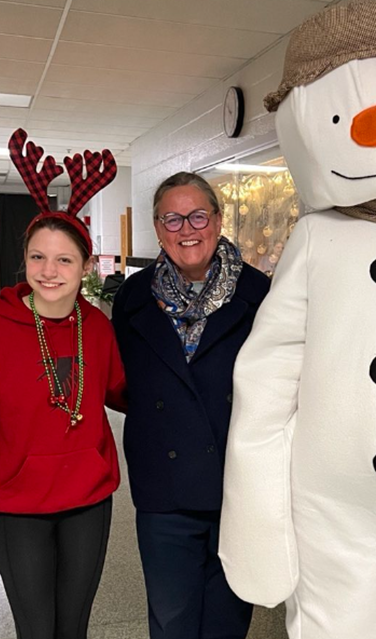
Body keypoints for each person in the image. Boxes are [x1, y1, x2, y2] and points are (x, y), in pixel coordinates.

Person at [0, 128, 126, 639]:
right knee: (37, 629)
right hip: (17, 507)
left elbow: (124, 391)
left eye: (64, 259)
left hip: (88, 501)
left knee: (75, 627)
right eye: (38, 257)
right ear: (25, 260)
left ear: (86, 266)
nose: (49, 271)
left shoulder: (99, 328)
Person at [111, 172, 270, 639]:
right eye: (173, 219)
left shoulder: (257, 294)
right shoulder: (134, 298)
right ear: (158, 229)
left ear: (218, 221)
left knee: (227, 617)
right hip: (163, 487)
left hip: (237, 482)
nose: (187, 229)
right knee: (172, 617)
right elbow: (123, 383)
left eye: (198, 215)